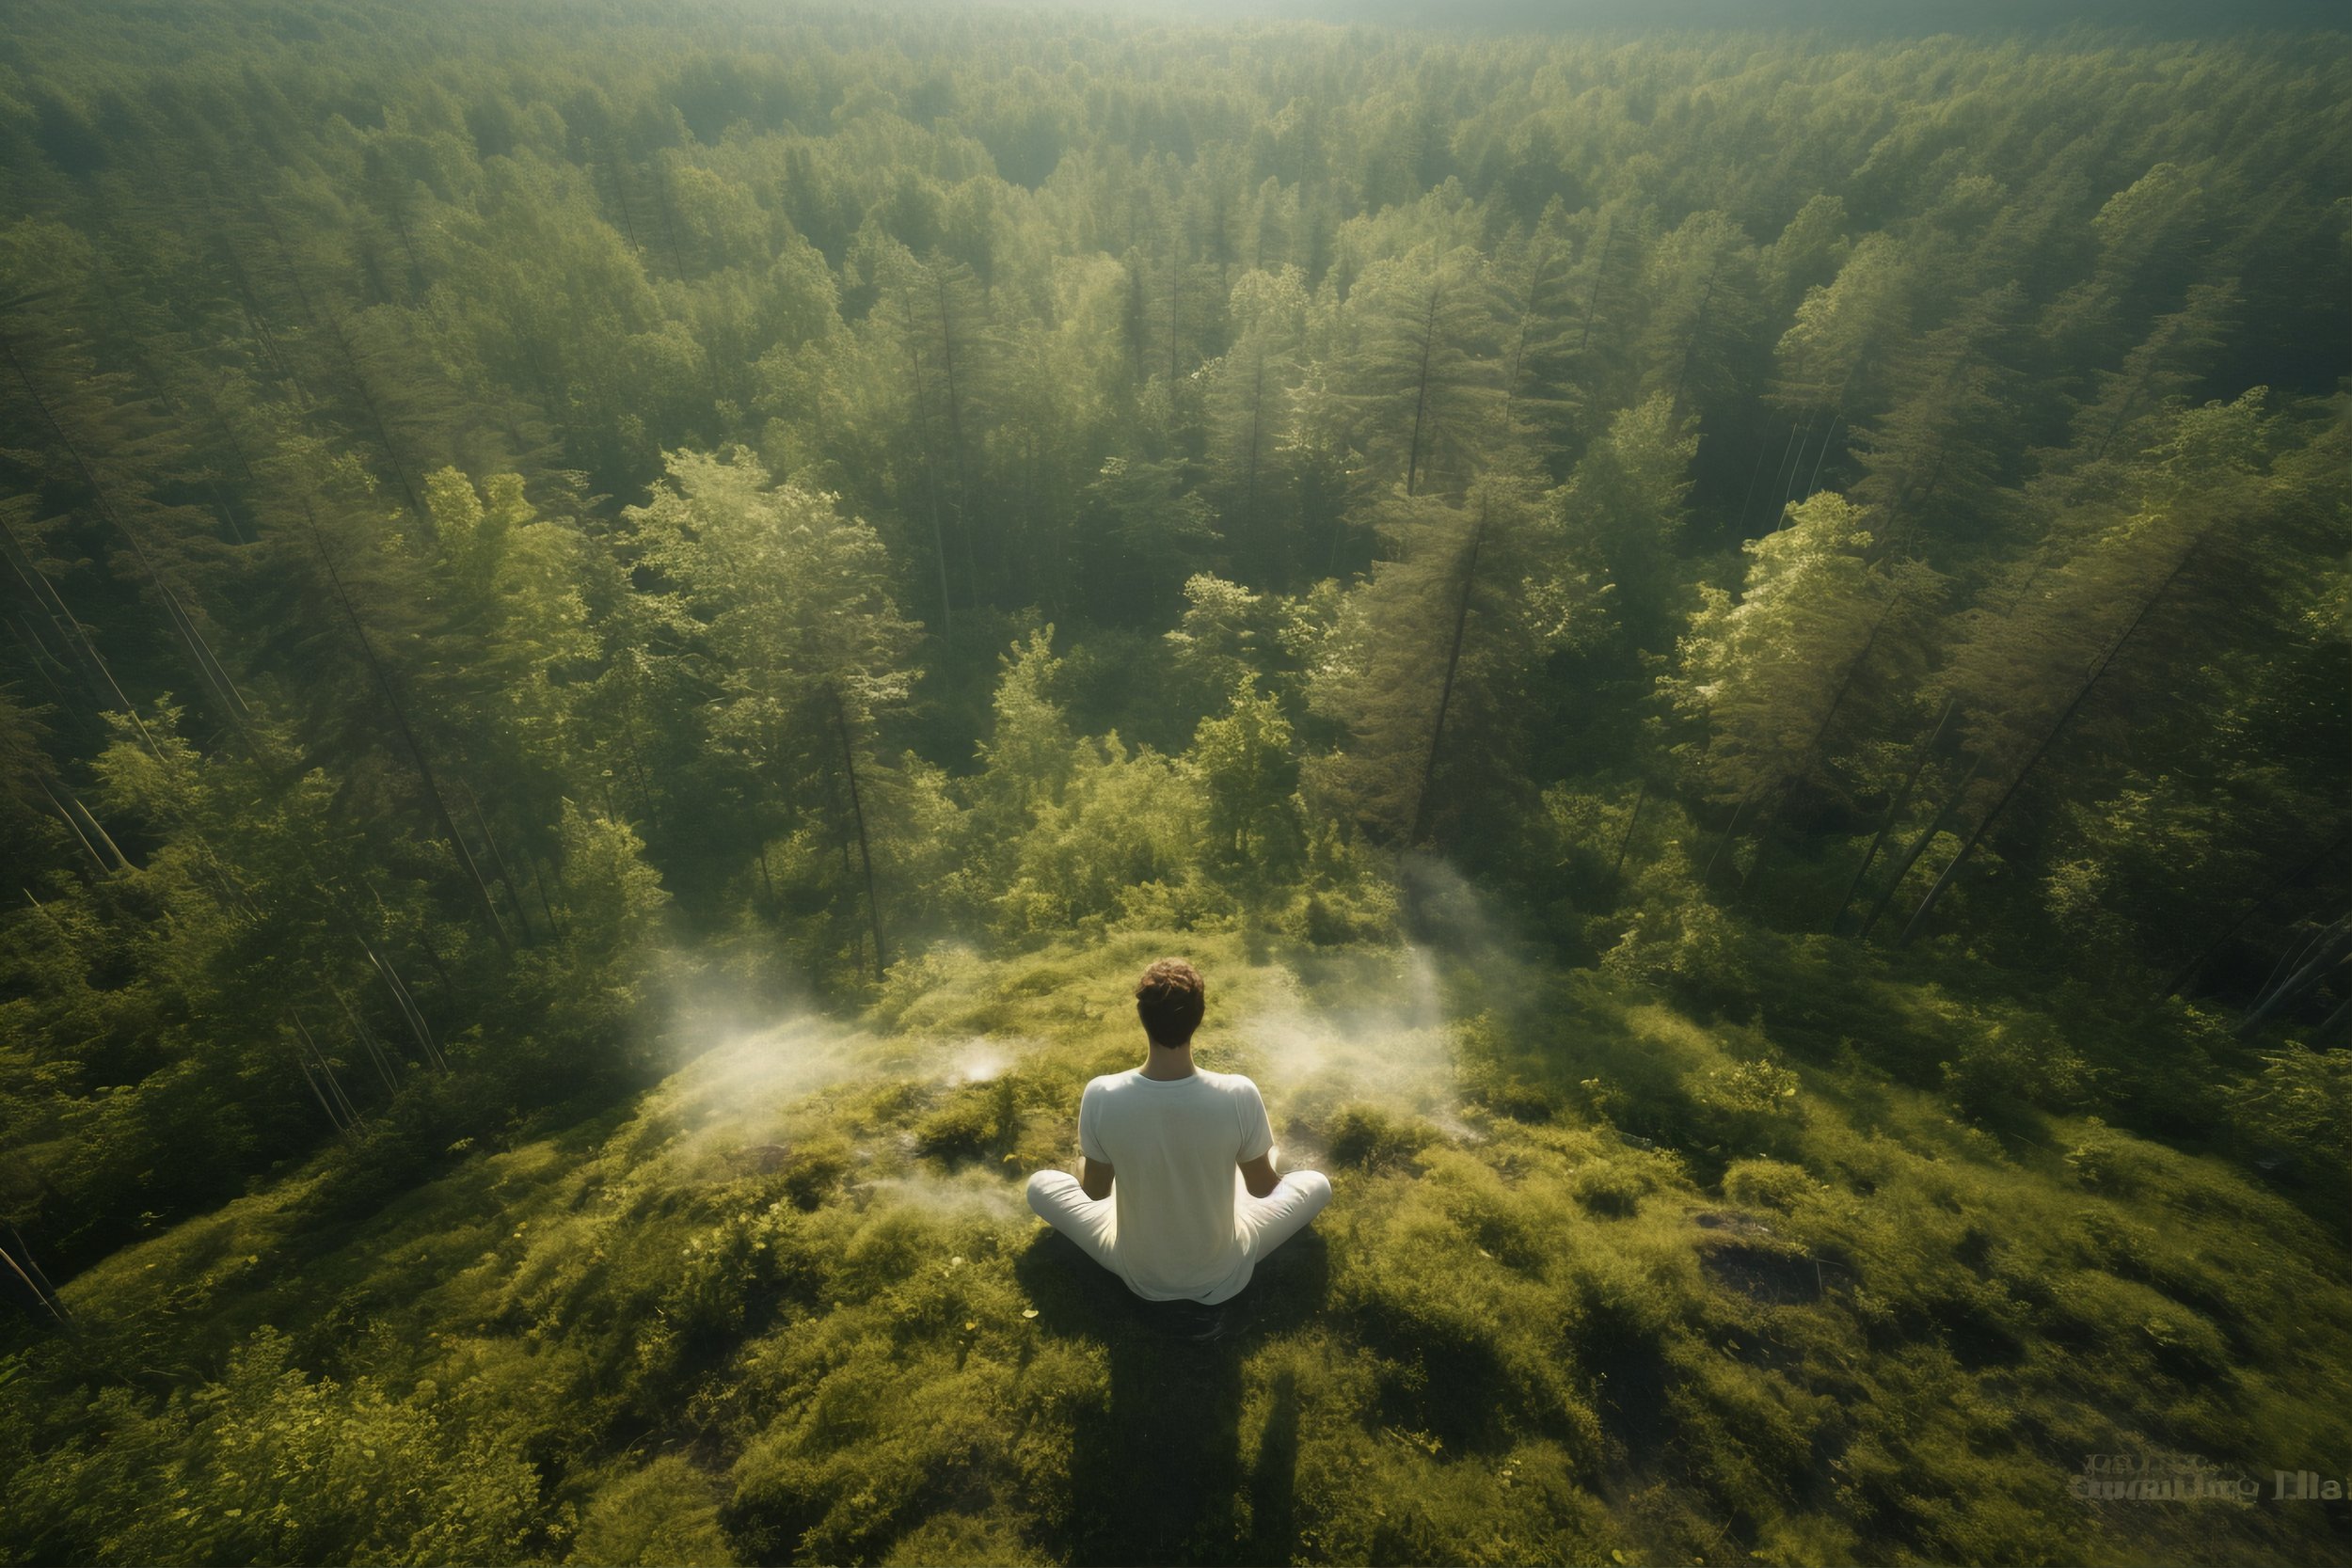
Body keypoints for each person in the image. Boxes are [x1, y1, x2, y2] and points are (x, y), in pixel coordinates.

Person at [1025, 958, 1332, 1307]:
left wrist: (1085, 1163)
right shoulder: (1237, 1093)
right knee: (1316, 1185)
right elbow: (1263, 1190)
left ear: (1143, 1018)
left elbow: (1095, 1193)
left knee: (1040, 1186)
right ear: (1198, 1018)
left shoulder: (1102, 1094)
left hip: (1139, 1272)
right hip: (1223, 1271)